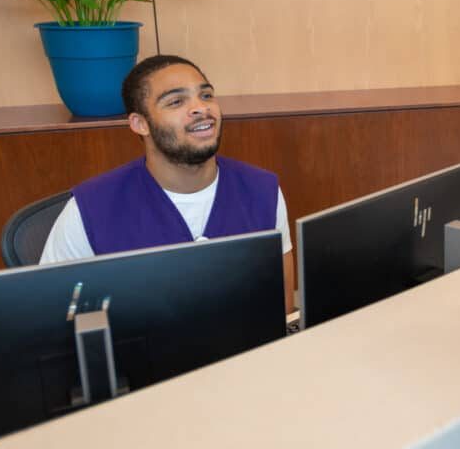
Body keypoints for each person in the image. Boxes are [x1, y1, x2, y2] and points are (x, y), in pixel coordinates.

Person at [40, 55, 296, 312]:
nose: (200, 108)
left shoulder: (263, 191)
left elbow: (283, 312)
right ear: (140, 124)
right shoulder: (87, 211)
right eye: (176, 101)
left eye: (206, 96)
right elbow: (53, 318)